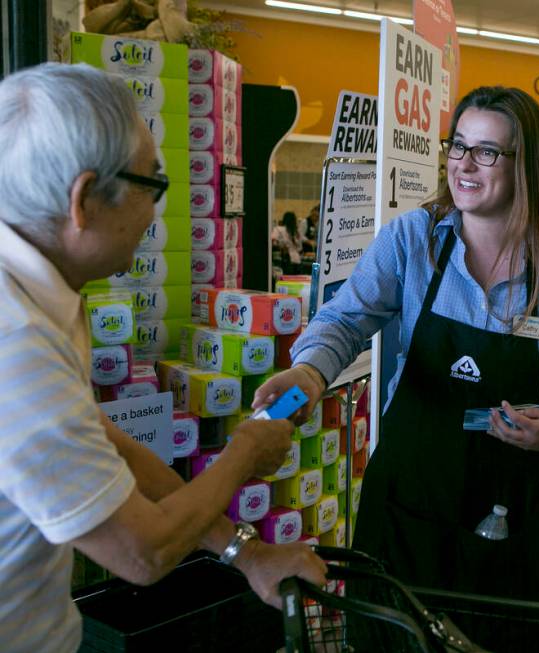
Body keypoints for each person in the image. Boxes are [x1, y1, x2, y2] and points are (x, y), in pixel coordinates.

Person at [254, 86, 539, 651]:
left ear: (528, 165)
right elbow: (345, 320)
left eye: (487, 151)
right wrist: (308, 375)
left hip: (515, 505)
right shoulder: (413, 240)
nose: (464, 164)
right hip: (412, 501)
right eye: (458, 145)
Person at [0, 64, 327, 653]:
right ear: (83, 200)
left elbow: (108, 443)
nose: (155, 213)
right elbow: (141, 551)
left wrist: (245, 551)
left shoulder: (38, 288)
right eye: (153, 185)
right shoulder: (14, 343)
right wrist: (245, 452)